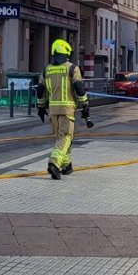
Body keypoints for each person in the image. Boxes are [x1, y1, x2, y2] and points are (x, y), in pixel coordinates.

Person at [35, 38, 92, 179]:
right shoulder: (72, 68)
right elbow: (79, 88)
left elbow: (40, 89)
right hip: (67, 109)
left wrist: (41, 107)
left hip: (53, 111)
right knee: (66, 137)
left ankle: (66, 165)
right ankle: (54, 163)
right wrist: (85, 104)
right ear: (66, 53)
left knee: (61, 138)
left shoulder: (46, 70)